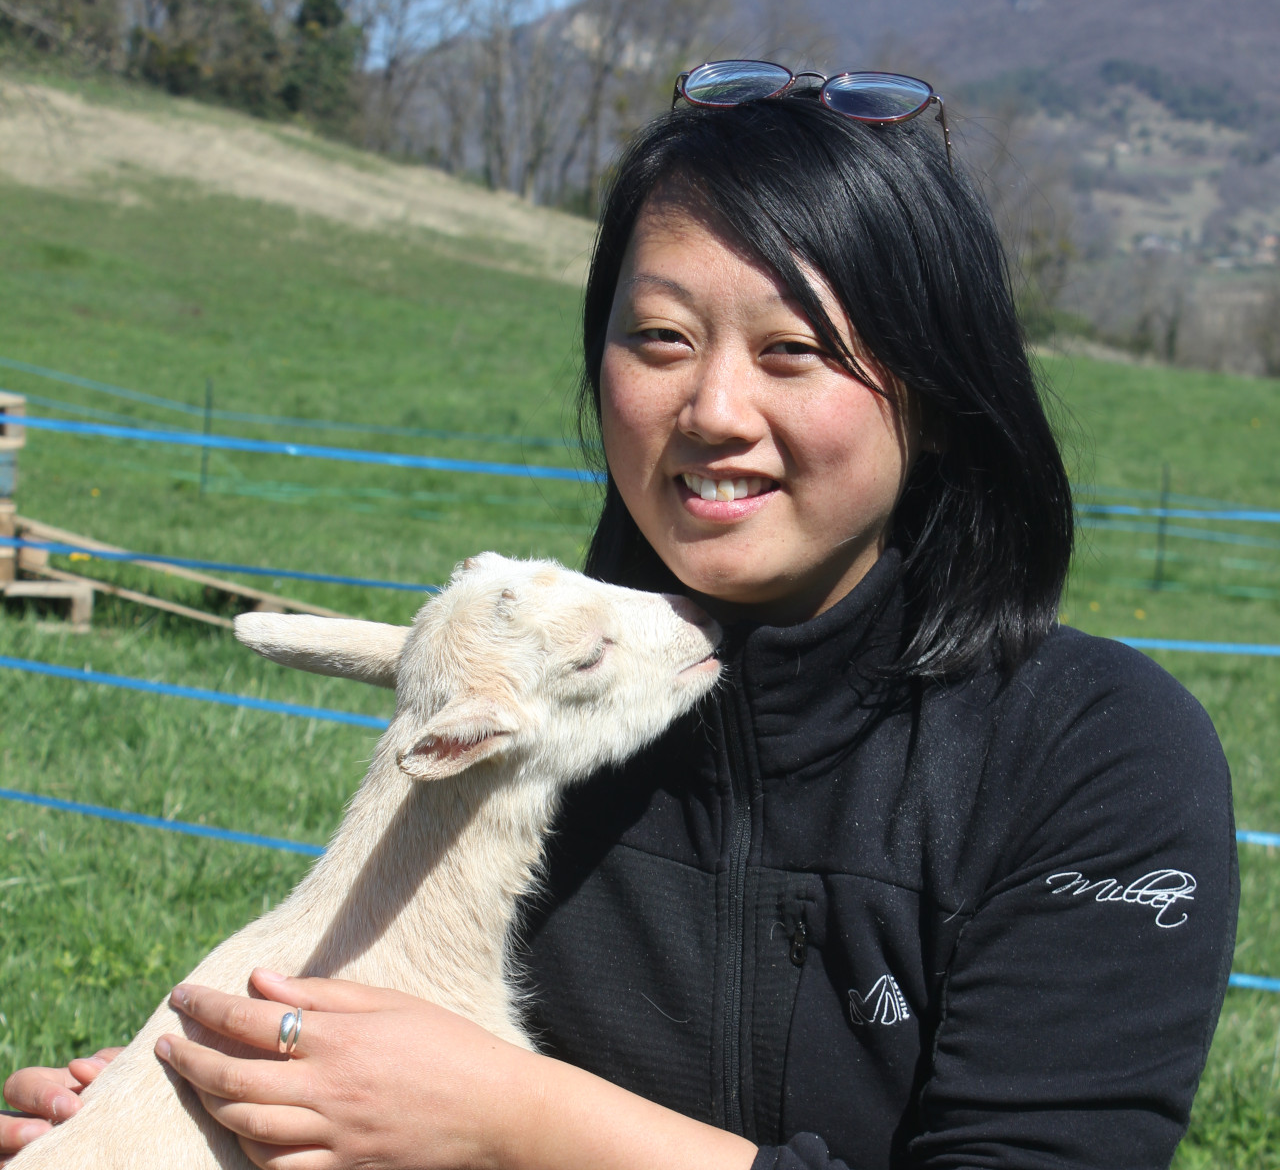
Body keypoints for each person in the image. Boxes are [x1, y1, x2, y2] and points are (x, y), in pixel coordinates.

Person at [0, 64, 1237, 1170]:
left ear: (938, 395)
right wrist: (166, 1120)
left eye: (792, 349)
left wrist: (518, 1120)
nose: (710, 406)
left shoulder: (1096, 760)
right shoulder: (524, 738)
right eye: (659, 336)